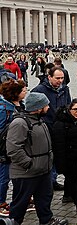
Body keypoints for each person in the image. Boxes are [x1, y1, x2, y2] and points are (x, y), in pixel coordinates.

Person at [7, 92, 68, 225]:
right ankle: (13, 222)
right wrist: (29, 164)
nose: (48, 107)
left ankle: (46, 220)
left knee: (44, 198)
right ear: (38, 107)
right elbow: (14, 148)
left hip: (43, 170)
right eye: (46, 105)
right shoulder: (20, 123)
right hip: (26, 173)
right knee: (20, 202)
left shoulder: (40, 121)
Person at [31, 67, 71, 191]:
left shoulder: (65, 89)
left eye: (62, 78)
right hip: (45, 126)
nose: (60, 81)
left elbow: (68, 105)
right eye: (57, 78)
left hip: (60, 127)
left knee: (57, 154)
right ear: (49, 77)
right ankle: (45, 181)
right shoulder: (39, 90)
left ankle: (52, 179)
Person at [0, 79, 26, 216]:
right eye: (23, 90)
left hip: (16, 146)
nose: (26, 91)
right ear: (15, 93)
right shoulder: (4, 109)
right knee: (4, 177)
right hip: (5, 148)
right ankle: (1, 203)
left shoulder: (19, 104)